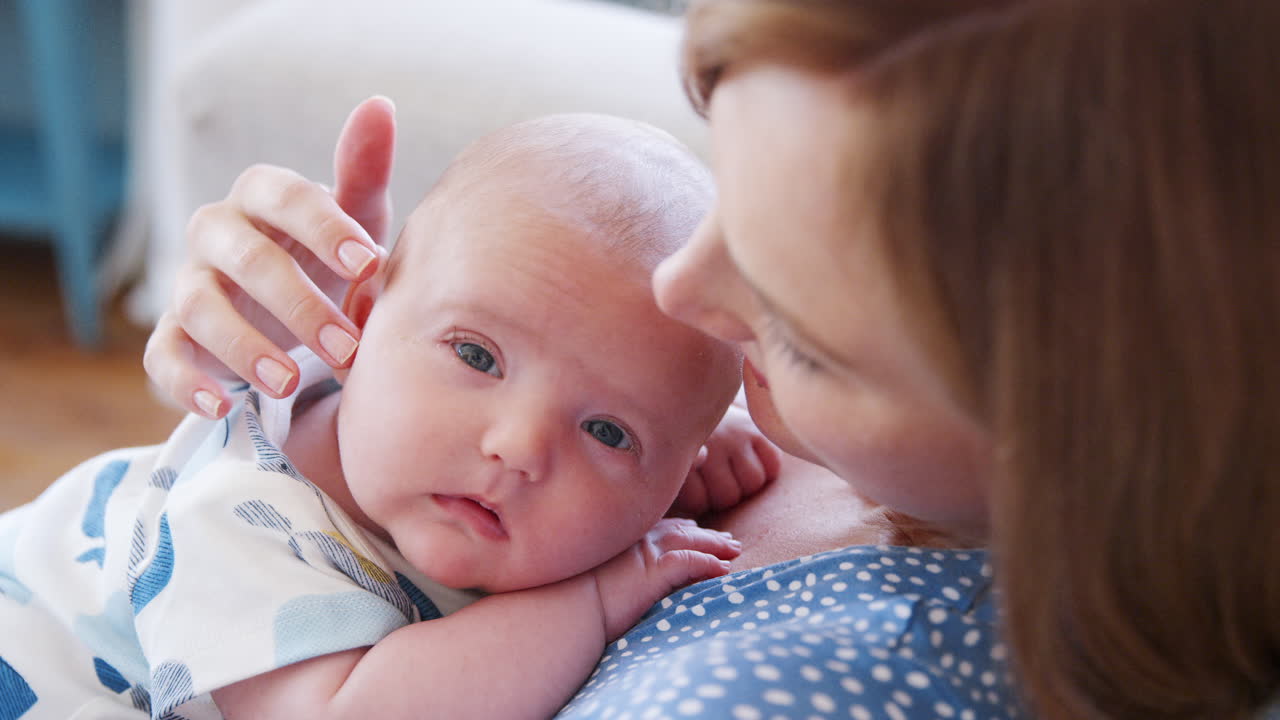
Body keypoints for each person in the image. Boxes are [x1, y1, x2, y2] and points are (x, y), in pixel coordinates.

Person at [142, 0, 1280, 718]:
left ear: (1063, 434)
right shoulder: (247, 499)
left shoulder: (776, 684)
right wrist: (301, 362)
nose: (681, 298)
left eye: (793, 325)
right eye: (732, 197)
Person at [0, 113, 793, 719]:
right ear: (366, 316)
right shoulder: (241, 520)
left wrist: (689, 437)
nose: (517, 446)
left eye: (608, 432)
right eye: (477, 357)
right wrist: (589, 603)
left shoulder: (416, 444)